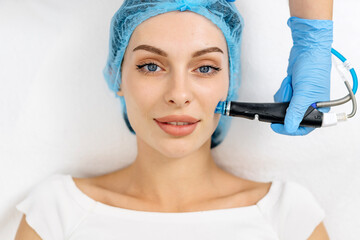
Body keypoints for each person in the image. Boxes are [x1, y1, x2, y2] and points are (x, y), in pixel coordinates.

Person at [15, 0, 332, 239]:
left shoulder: (288, 216)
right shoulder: (56, 213)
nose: (179, 94)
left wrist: (313, 39)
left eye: (205, 68)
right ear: (118, 77)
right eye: (151, 66)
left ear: (230, 82)